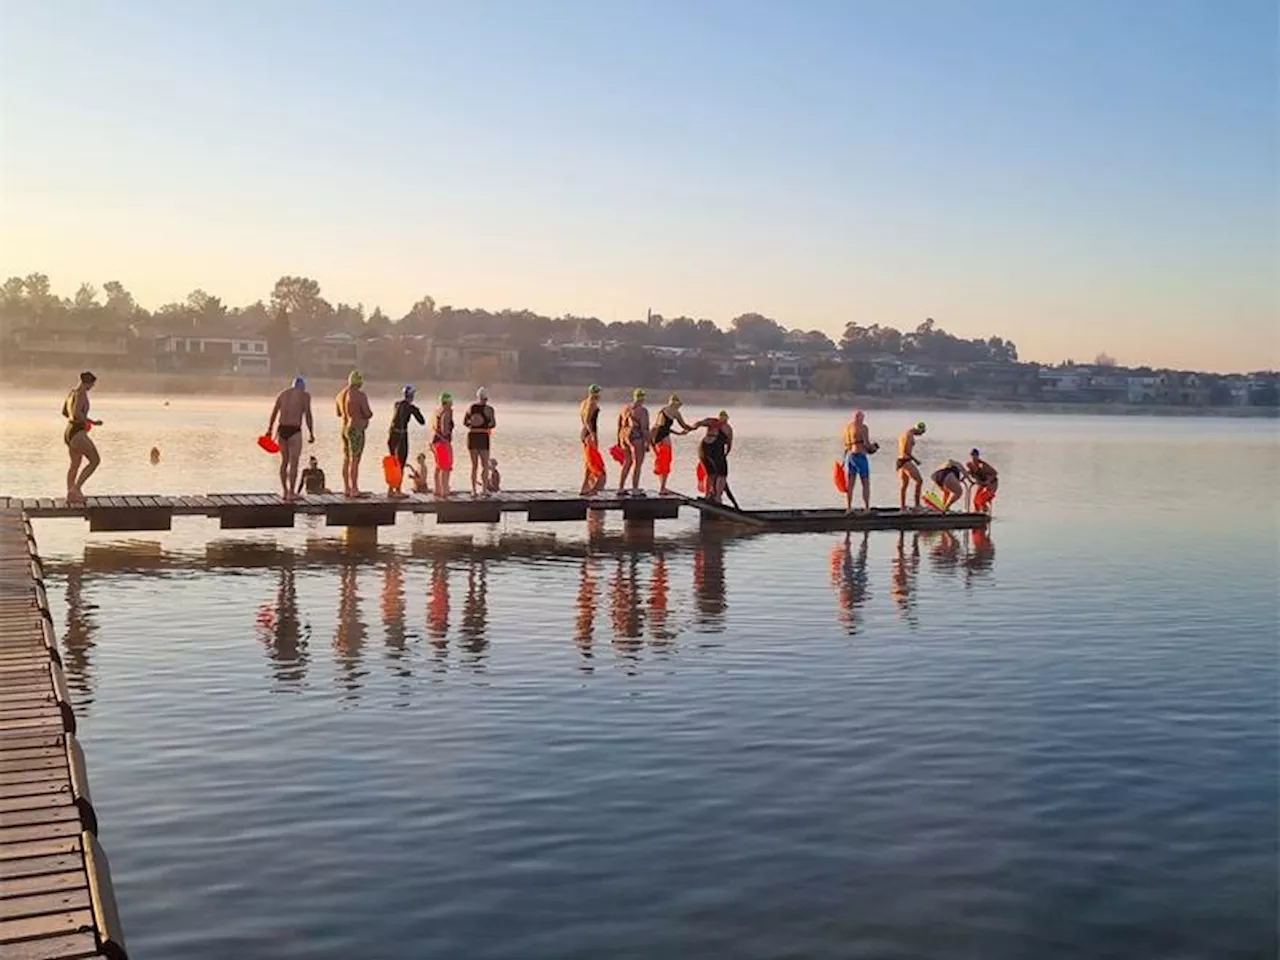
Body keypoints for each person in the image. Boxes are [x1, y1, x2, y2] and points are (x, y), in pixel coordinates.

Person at [267, 376, 314, 501]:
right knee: (294, 463)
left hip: (281, 430)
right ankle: (292, 492)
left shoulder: (283, 394)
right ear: (303, 387)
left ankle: (285, 491)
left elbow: (274, 413)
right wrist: (311, 433)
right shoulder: (305, 396)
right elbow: (308, 415)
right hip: (294, 431)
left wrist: (269, 430)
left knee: (284, 462)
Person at [62, 371, 103, 502]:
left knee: (74, 464)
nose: (92, 387)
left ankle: (71, 494)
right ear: (88, 383)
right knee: (95, 460)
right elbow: (76, 413)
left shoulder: (72, 392)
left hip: (69, 431)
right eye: (92, 384)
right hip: (78, 431)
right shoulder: (81, 394)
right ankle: (76, 489)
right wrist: (92, 422)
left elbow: (65, 412)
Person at [335, 370, 373, 498]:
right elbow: (368, 413)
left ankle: (346, 488)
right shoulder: (360, 395)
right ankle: (354, 489)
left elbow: (338, 413)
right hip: (356, 429)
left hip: (345, 429)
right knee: (355, 460)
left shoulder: (340, 395)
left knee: (346, 458)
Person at [650, 394, 693, 495]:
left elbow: (659, 427)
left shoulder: (662, 411)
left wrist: (678, 433)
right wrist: (693, 428)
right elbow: (684, 425)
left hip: (656, 439)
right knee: (666, 462)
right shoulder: (675, 412)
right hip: (664, 439)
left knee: (661, 462)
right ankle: (662, 488)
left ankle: (662, 486)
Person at [387, 385, 425, 496]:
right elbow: (422, 421)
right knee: (400, 464)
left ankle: (390, 489)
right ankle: (398, 490)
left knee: (393, 463)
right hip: (401, 435)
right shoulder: (410, 407)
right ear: (411, 395)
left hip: (392, 434)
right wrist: (416, 411)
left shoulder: (397, 404)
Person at [693, 410, 733, 505]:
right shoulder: (727, 427)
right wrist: (724, 456)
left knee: (710, 473)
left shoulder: (711, 421)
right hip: (715, 448)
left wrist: (693, 427)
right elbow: (729, 445)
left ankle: (708, 495)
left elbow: (698, 423)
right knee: (722, 474)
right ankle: (717, 497)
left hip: (703, 448)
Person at [842, 410, 877, 514]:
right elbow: (866, 444)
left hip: (851, 456)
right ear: (861, 418)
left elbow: (846, 444)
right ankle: (866, 508)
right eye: (862, 417)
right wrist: (873, 449)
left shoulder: (848, 427)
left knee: (850, 483)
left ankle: (848, 507)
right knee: (865, 483)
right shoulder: (863, 428)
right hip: (861, 456)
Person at [617, 388, 650, 495]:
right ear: (642, 398)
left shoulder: (625, 408)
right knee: (638, 463)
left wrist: (619, 439)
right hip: (636, 436)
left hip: (624, 435)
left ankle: (621, 487)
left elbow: (619, 424)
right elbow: (644, 428)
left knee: (627, 462)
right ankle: (635, 489)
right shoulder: (642, 411)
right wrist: (648, 442)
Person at [464, 387, 496, 496]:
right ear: (486, 398)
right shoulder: (489, 409)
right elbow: (492, 424)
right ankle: (484, 489)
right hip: (483, 436)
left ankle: (473, 490)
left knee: (474, 465)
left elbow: (465, 422)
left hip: (473, 435)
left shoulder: (471, 407)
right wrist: (483, 424)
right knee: (485, 465)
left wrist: (474, 424)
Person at [579, 384, 606, 496]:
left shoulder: (583, 403)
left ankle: (585, 488)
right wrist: (593, 435)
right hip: (590, 434)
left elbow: (583, 420)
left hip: (584, 433)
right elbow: (587, 420)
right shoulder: (591, 404)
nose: (599, 396)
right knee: (596, 463)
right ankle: (594, 489)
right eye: (598, 393)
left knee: (589, 463)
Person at [896, 421, 926, 511]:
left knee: (904, 485)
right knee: (919, 481)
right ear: (918, 429)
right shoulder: (909, 436)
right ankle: (917, 505)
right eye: (921, 433)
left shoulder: (904, 434)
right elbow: (906, 451)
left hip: (900, 461)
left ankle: (903, 507)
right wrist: (916, 460)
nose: (920, 435)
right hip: (905, 461)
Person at [430, 392, 455, 498]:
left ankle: (437, 489)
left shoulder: (437, 411)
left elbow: (434, 427)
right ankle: (444, 491)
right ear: (448, 402)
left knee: (438, 466)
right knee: (445, 467)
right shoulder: (446, 412)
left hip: (434, 441)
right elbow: (444, 429)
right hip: (442, 441)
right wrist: (447, 441)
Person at [966, 448, 999, 513]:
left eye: (975, 455)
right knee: (975, 501)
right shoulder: (970, 465)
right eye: (972, 455)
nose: (973, 457)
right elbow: (968, 473)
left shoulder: (983, 465)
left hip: (991, 484)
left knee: (981, 500)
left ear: (978, 456)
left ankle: (985, 513)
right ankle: (977, 512)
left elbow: (995, 473)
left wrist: (988, 481)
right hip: (982, 484)